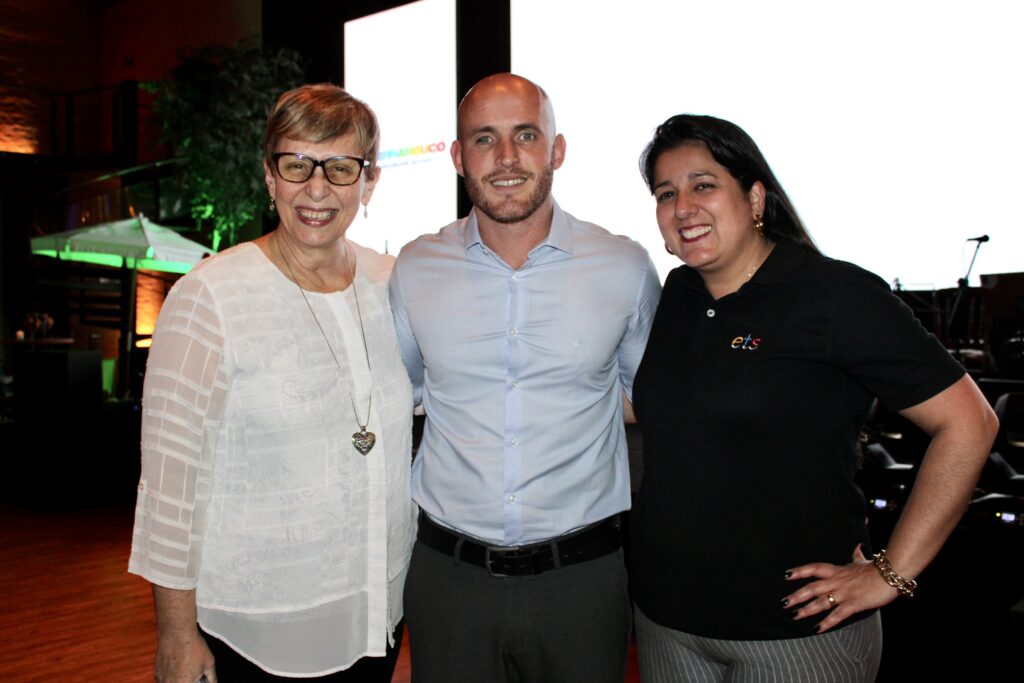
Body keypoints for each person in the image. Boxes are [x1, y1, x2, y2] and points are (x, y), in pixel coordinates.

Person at [628, 114, 999, 682]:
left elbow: (969, 424)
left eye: (703, 185)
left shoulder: (836, 295)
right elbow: (668, 410)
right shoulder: (677, 295)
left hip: (797, 633)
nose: (682, 208)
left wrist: (890, 574)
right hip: (668, 623)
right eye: (665, 193)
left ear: (755, 196)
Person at [128, 84, 415, 682]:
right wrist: (177, 636)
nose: (317, 189)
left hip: (376, 617)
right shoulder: (210, 296)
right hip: (255, 632)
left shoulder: (395, 286)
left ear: (369, 182)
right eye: (296, 164)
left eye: (340, 167)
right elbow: (169, 486)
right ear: (269, 176)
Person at [389, 73, 661, 682]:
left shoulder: (625, 267)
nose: (507, 158)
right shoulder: (414, 268)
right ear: (459, 158)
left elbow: (653, 399)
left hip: (583, 583)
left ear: (556, 150)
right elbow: (403, 395)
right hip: (448, 580)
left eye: (526, 135)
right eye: (484, 139)